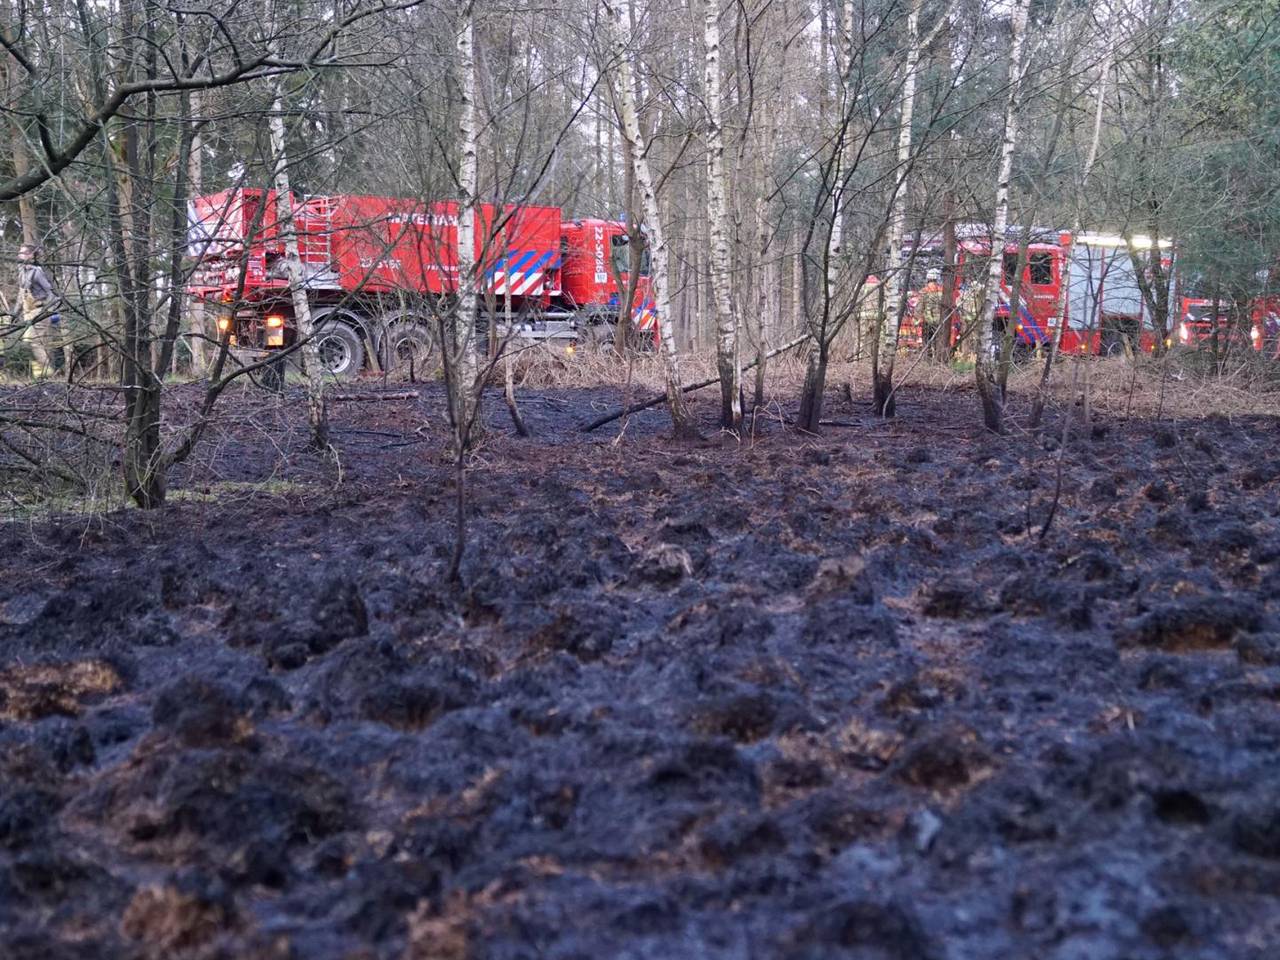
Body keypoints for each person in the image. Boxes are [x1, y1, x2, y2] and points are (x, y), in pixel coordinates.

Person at [14, 244, 61, 378]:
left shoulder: (37, 271)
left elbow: (50, 292)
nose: (19, 255)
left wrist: (50, 310)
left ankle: (47, 372)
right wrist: (15, 312)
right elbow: (21, 293)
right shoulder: (22, 271)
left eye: (22, 253)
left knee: (32, 341)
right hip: (28, 313)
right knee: (39, 343)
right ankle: (41, 375)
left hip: (40, 311)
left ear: (30, 255)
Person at [917, 268, 943, 354]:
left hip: (927, 321)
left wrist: (916, 318)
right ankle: (937, 359)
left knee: (927, 341)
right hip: (940, 321)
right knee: (937, 342)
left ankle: (927, 360)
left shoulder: (924, 290)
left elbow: (919, 307)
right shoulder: (943, 291)